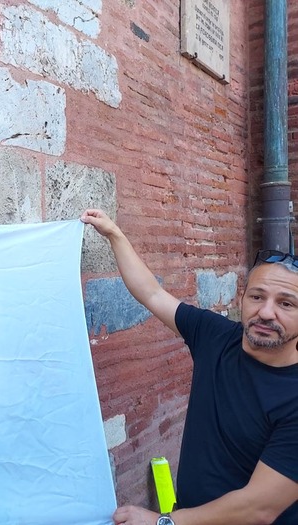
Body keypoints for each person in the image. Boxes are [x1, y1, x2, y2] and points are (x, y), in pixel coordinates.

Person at [80, 209, 298, 525]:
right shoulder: (217, 336)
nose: (265, 312)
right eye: (257, 296)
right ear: (242, 299)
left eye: (286, 303)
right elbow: (152, 294)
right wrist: (115, 234)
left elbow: (258, 509)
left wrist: (162, 522)